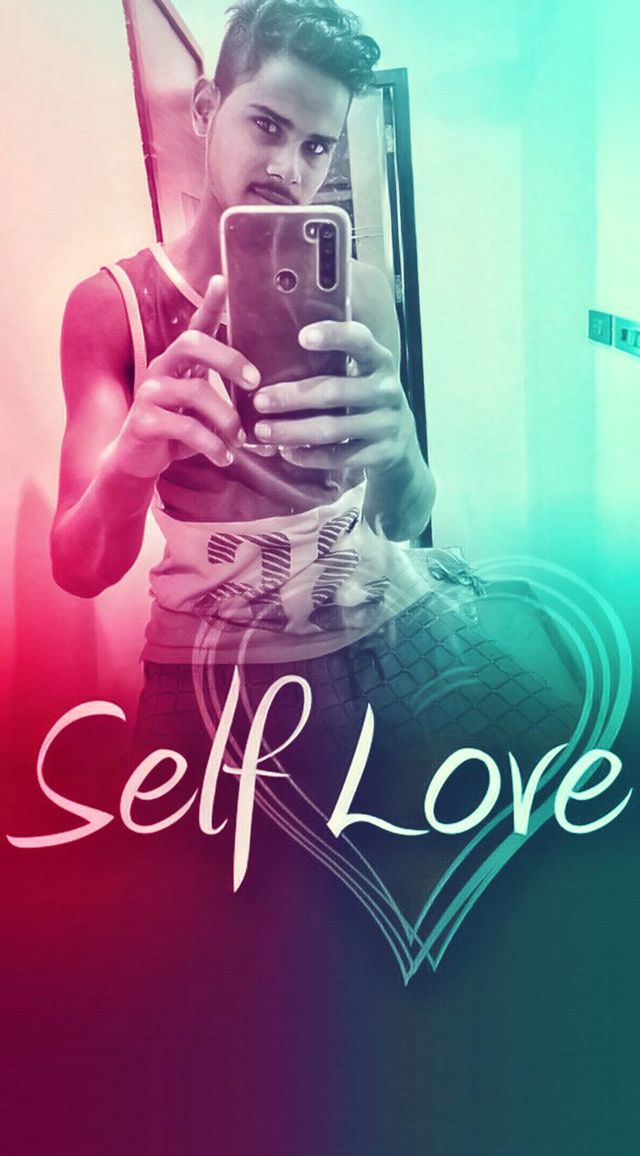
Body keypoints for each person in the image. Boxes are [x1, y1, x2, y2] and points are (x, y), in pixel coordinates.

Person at [51, 0, 573, 893]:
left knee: (540, 834)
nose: (290, 168)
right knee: (209, 930)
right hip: (210, 676)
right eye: (267, 125)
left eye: (317, 145)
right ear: (208, 108)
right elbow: (79, 568)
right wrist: (134, 459)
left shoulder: (363, 297)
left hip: (391, 627)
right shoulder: (113, 308)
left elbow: (406, 519)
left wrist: (399, 450)